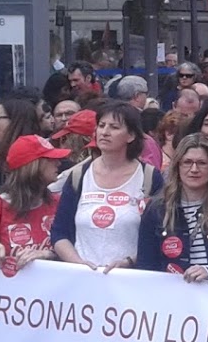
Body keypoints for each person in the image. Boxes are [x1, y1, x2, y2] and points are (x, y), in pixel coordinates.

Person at [51, 102, 164, 271]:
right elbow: (59, 233)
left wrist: (130, 261)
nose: (104, 132)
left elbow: (160, 235)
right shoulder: (78, 176)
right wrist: (78, 264)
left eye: (114, 127)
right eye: (101, 125)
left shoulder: (149, 177)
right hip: (83, 281)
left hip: (132, 280)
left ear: (131, 135)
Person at [137, 135, 208, 284]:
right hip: (169, 297)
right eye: (187, 162)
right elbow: (146, 263)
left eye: (202, 163)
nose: (194, 169)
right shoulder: (156, 208)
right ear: (177, 166)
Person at [0, 135, 70, 276]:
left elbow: (76, 249)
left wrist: (48, 254)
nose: (58, 163)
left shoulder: (59, 203)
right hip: (11, 294)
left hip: (52, 293)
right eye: (50, 159)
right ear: (32, 165)